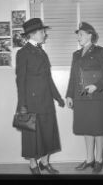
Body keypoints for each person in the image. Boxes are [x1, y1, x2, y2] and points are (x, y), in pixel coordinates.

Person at [66, 22, 103, 173]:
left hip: (96, 97)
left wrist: (96, 86)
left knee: (98, 130)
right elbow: (72, 78)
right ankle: (89, 159)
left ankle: (99, 160)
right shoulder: (75, 54)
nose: (78, 37)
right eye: (77, 35)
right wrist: (69, 95)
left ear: (90, 35)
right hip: (80, 97)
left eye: (80, 34)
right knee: (87, 128)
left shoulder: (101, 52)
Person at [15, 18, 65, 174]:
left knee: (48, 131)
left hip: (46, 100)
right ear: (33, 34)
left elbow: (48, 78)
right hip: (31, 101)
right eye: (42, 31)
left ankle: (44, 162)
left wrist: (57, 97)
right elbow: (20, 80)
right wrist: (22, 104)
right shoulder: (22, 53)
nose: (45, 34)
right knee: (31, 134)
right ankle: (32, 164)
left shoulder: (42, 52)